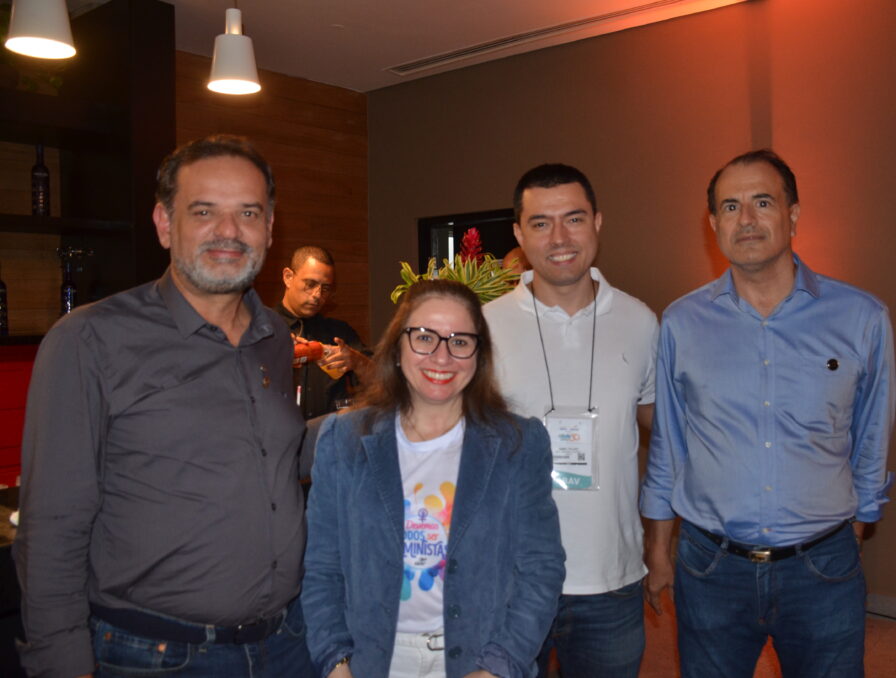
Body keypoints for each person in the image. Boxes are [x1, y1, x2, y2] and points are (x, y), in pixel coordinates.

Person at [14, 135, 317, 678]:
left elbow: (270, 457)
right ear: (163, 223)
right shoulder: (90, 340)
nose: (229, 231)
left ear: (270, 228)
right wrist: (62, 664)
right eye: (204, 211)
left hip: (288, 644)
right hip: (156, 657)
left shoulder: (273, 334)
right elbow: (51, 527)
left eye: (248, 212)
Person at [641, 149, 896, 678]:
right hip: (710, 568)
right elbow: (669, 445)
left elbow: (873, 431)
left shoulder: (862, 318)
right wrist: (659, 550)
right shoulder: (681, 323)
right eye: (730, 207)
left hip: (822, 567)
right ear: (713, 225)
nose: (747, 220)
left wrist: (859, 523)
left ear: (793, 215)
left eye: (762, 201)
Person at [302, 279, 565, 678]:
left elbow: (541, 568)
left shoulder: (518, 444)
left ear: (480, 354)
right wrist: (335, 661)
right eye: (424, 337)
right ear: (397, 346)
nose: (442, 357)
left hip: (481, 659)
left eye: (460, 341)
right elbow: (321, 566)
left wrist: (499, 664)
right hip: (373, 662)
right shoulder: (344, 441)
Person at [483, 164, 658, 678]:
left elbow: (665, 433)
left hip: (611, 579)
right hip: (509, 579)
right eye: (541, 223)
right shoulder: (485, 327)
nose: (559, 238)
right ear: (518, 233)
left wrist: (662, 542)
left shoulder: (641, 322)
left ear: (598, 222)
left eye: (574, 219)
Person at [276, 245, 373, 419]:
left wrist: (357, 361)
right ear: (288, 277)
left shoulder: (340, 332)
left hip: (329, 438)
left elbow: (384, 384)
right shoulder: (262, 327)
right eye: (310, 284)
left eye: (325, 288)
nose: (317, 295)